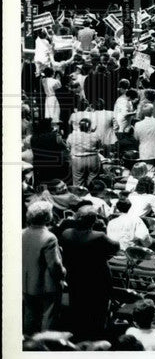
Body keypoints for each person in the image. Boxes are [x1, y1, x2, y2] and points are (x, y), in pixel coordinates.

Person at [58, 206, 119, 341]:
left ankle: (78, 335)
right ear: (94, 220)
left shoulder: (66, 233)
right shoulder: (99, 236)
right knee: (97, 311)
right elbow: (116, 247)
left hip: (75, 278)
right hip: (97, 280)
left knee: (78, 307)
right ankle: (95, 337)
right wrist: (102, 229)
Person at [22, 199, 65, 336]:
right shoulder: (49, 237)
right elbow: (54, 265)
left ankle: (28, 343)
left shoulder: (21, 233)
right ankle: (45, 345)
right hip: (47, 286)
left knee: (29, 316)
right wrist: (63, 274)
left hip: (26, 283)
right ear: (47, 217)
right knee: (48, 316)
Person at [66, 117, 102, 187]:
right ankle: (91, 195)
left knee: (78, 182)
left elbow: (68, 147)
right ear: (89, 127)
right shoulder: (95, 135)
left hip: (78, 159)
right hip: (93, 159)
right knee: (92, 182)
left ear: (79, 126)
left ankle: (80, 196)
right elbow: (99, 147)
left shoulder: (72, 136)